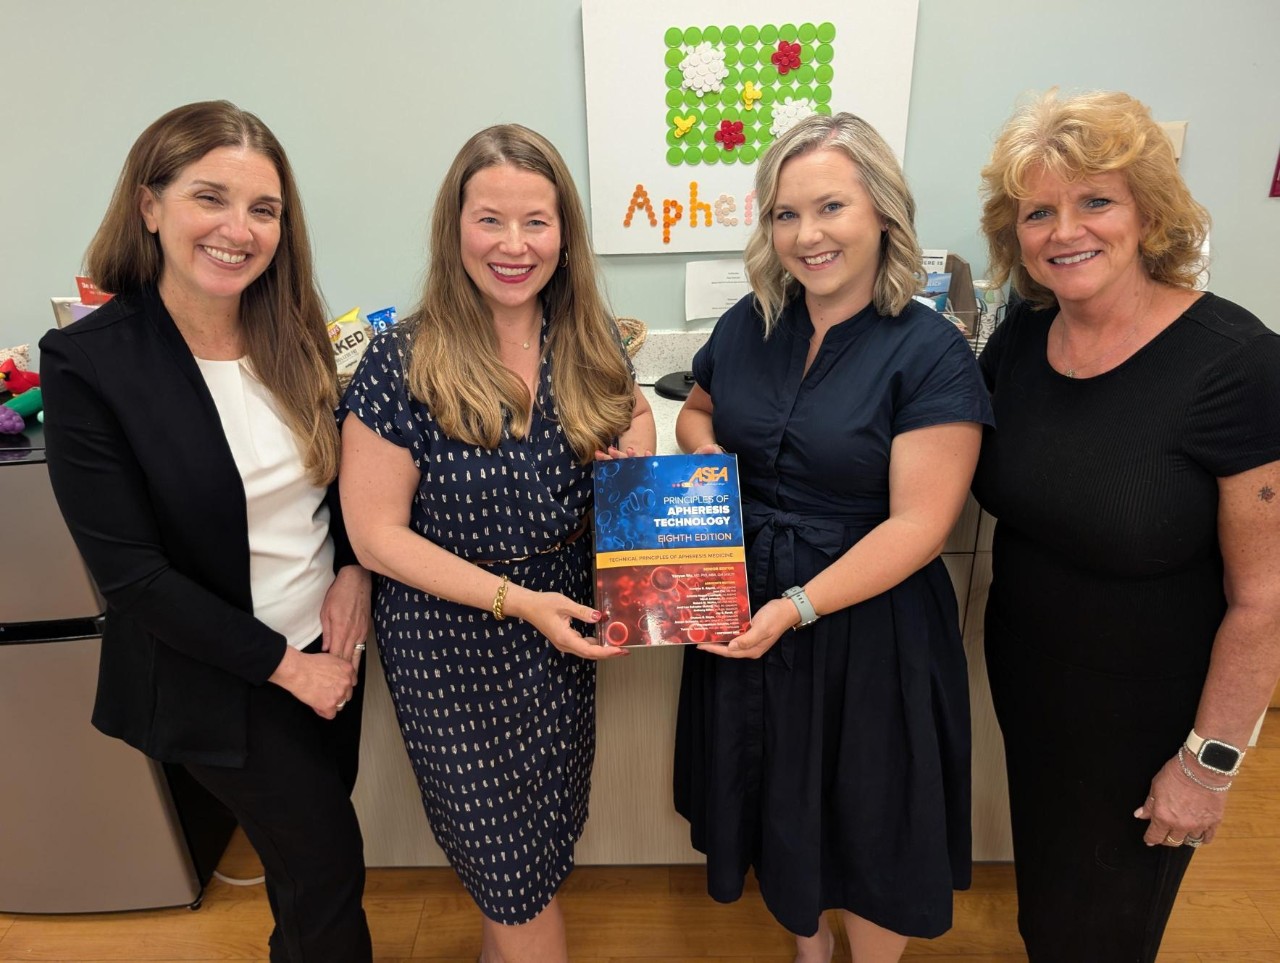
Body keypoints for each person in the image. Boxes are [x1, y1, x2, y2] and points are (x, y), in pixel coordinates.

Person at [39, 101, 373, 962]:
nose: (240, 229)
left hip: (327, 655)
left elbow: (331, 485)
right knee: (329, 866)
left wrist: (352, 574)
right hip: (222, 678)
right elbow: (132, 576)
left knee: (307, 875)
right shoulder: (91, 362)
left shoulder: (290, 328)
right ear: (149, 204)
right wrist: (289, 669)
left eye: (264, 209)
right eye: (210, 198)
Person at [673, 112, 991, 962]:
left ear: (882, 212)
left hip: (866, 629)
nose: (806, 235)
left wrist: (796, 606)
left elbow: (922, 524)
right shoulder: (751, 322)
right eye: (785, 213)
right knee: (779, 804)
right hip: (748, 616)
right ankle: (809, 954)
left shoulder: (931, 353)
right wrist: (710, 470)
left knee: (871, 824)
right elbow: (699, 412)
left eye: (830, 207)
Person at [973, 89, 1280, 962]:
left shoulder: (1238, 365)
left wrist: (1207, 764)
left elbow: (1265, 599)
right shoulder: (1025, 337)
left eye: (1094, 201)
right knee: (1050, 906)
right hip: (1033, 685)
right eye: (1039, 212)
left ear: (1148, 212)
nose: (1065, 231)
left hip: (1149, 711)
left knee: (1104, 928)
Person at [338, 123, 655, 963]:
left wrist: (642, 441)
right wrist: (515, 601)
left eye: (536, 222)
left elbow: (632, 426)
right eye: (490, 220)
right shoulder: (399, 360)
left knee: (536, 850)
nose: (514, 246)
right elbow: (374, 535)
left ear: (565, 234)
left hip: (560, 637)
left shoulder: (593, 344)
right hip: (451, 642)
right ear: (455, 228)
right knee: (506, 863)